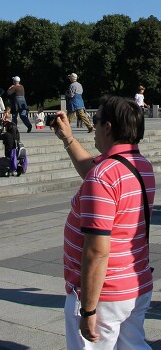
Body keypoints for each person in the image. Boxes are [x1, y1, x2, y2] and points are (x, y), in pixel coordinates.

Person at [51, 97, 153, 349]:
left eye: (95, 122)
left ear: (107, 127)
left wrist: (87, 309)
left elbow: (97, 251)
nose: (93, 127)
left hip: (104, 293)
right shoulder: (140, 165)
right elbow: (93, 171)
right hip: (133, 284)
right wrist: (67, 139)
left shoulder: (104, 175)